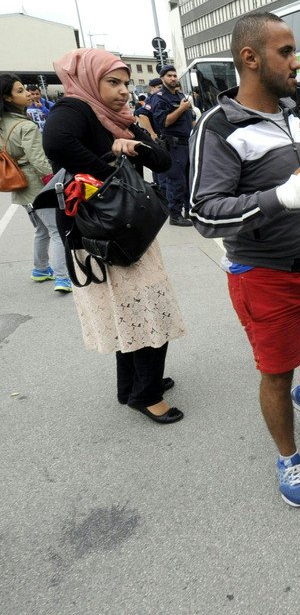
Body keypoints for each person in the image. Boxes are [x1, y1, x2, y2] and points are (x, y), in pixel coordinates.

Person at [189, 11, 300, 508]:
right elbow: (205, 214)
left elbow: (296, 189)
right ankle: (288, 457)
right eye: (286, 51)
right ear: (251, 58)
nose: (296, 61)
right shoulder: (218, 126)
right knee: (276, 374)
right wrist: (285, 195)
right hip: (264, 277)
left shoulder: (291, 114)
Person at [41, 49, 186, 423]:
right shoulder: (75, 108)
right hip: (103, 233)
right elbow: (56, 143)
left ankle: (131, 386)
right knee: (147, 307)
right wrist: (111, 169)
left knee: (130, 310)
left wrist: (136, 146)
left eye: (125, 83)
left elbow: (163, 160)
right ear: (90, 81)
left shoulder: (122, 119)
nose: (123, 90)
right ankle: (146, 394)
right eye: (113, 82)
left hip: (127, 230)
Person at [0, 74, 71, 292]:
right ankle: (63, 278)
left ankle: (40, 269)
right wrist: (54, 181)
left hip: (18, 183)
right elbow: (38, 160)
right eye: (20, 91)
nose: (28, 94)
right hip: (37, 183)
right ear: (7, 98)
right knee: (56, 230)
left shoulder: (2, 123)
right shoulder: (25, 126)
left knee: (41, 229)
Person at [147, 64, 194, 226]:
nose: (173, 78)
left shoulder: (180, 95)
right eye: (169, 76)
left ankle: (189, 210)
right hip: (173, 145)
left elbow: (189, 118)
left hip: (187, 143)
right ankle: (175, 215)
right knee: (176, 181)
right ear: (162, 78)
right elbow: (165, 122)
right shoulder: (159, 97)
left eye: (174, 75)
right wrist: (181, 108)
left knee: (189, 179)